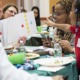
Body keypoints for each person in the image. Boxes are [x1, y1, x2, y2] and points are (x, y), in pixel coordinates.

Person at [0, 2, 64, 80]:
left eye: (15, 13)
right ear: (3, 12)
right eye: (11, 11)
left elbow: (9, 48)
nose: (13, 14)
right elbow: (7, 74)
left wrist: (18, 44)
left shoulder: (15, 28)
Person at [45, 0, 80, 73]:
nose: (70, 14)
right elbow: (67, 27)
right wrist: (51, 45)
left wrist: (71, 50)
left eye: (71, 11)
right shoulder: (76, 29)